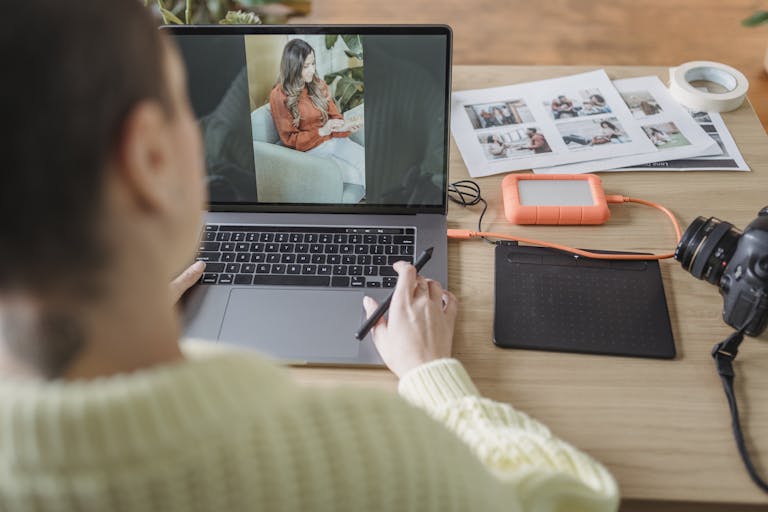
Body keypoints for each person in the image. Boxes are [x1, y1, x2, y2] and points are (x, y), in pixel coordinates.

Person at [0, 2, 619, 511]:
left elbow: (325, 115)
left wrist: (125, 311)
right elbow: (571, 498)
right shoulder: (373, 456)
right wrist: (434, 377)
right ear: (149, 160)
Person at [269, 39, 365, 191]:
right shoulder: (279, 96)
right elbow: (289, 140)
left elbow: (335, 117)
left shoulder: (318, 84)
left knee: (366, 162)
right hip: (311, 151)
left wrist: (346, 126)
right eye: (306, 66)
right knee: (354, 176)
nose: (312, 70)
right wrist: (321, 131)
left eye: (313, 63)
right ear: (293, 67)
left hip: (333, 140)